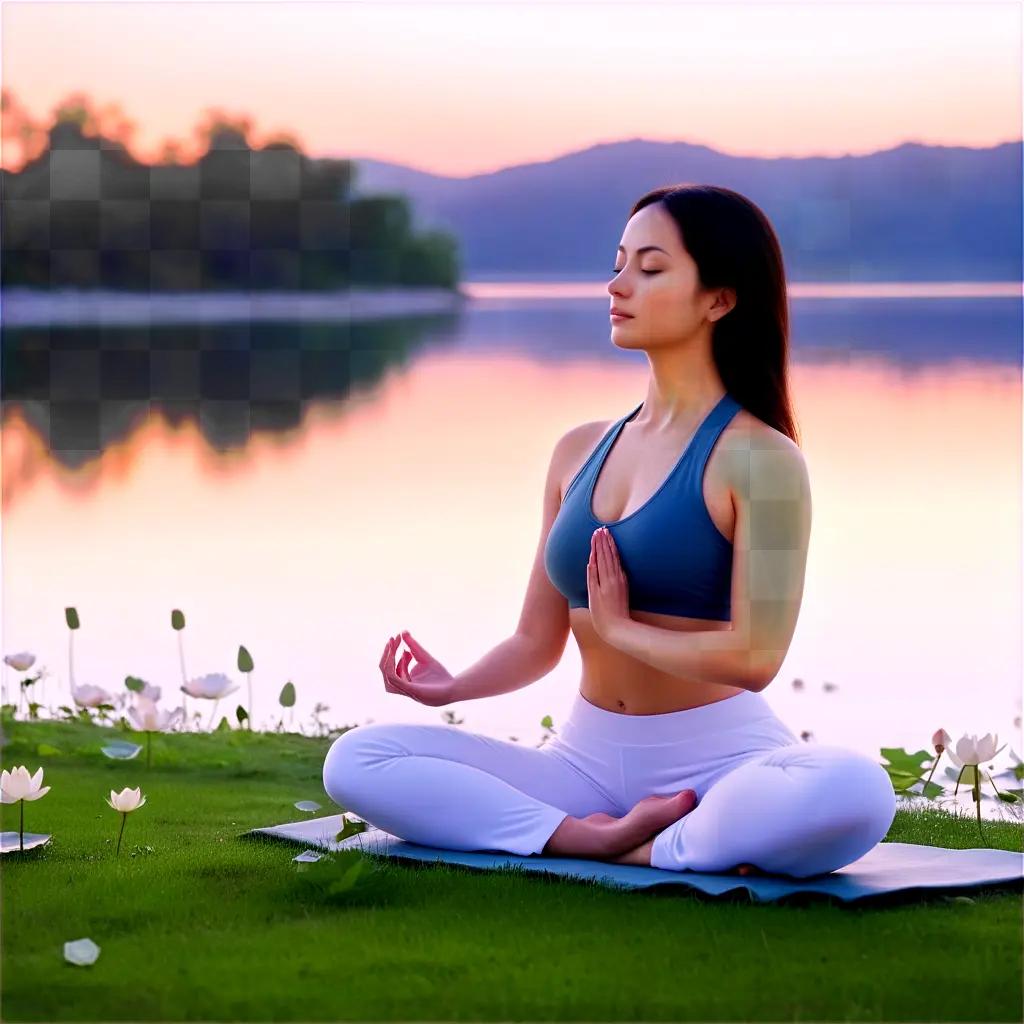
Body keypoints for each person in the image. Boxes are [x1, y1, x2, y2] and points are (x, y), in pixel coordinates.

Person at [322, 184, 896, 878]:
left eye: (649, 268)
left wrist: (624, 632)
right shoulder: (577, 451)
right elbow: (537, 641)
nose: (617, 284)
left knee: (855, 791)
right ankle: (582, 837)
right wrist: (452, 689)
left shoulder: (763, 461)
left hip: (720, 763)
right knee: (358, 759)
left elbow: (756, 657)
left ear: (719, 299)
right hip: (584, 764)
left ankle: (662, 844)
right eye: (619, 262)